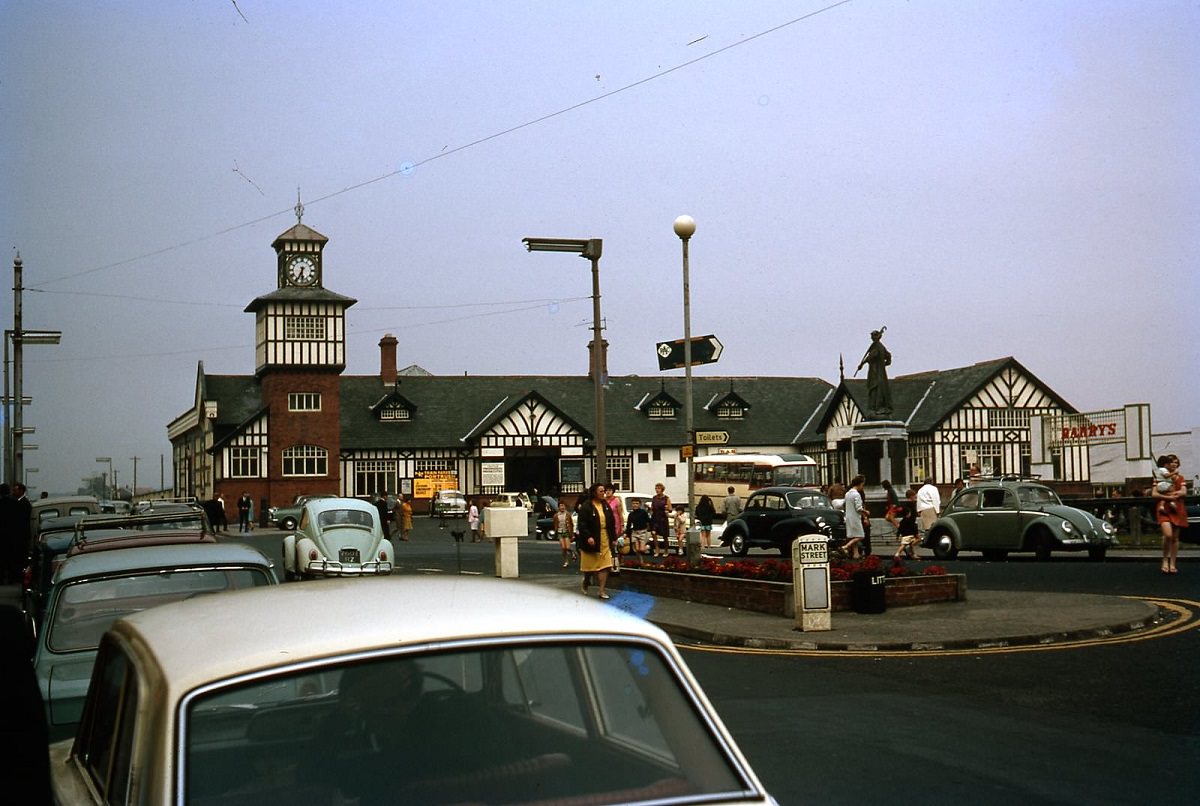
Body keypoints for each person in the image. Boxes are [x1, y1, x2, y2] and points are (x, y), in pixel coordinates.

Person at [576, 482, 616, 599]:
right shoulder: (586, 506)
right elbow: (582, 524)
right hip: (592, 540)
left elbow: (611, 523)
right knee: (590, 568)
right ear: (594, 493)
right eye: (601, 491)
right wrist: (588, 536)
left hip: (604, 538)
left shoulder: (606, 505)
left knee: (605, 566)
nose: (604, 493)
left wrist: (613, 538)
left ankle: (601, 590)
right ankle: (586, 581)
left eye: (604, 491)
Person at [1152, 454, 1186, 575]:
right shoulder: (1159, 476)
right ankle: (1165, 559)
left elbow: (1183, 492)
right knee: (1168, 534)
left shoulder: (1180, 478)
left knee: (1175, 538)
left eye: (1176, 462)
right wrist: (1167, 497)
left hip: (1177, 508)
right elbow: (1154, 494)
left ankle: (1173, 562)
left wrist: (1175, 494)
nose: (1174, 464)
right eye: (1172, 462)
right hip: (1164, 508)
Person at [856, 329, 892, 418]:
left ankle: (876, 408)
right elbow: (888, 356)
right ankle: (877, 408)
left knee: (875, 388)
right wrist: (887, 362)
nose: (872, 338)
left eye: (873, 336)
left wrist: (862, 364)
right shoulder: (880, 346)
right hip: (880, 371)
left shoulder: (877, 346)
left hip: (875, 372)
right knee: (879, 388)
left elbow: (871, 356)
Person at [841, 475, 866, 558]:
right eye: (862, 485)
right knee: (860, 536)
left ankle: (856, 554)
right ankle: (846, 546)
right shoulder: (856, 494)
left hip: (848, 517)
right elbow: (859, 508)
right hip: (855, 517)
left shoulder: (847, 494)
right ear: (859, 484)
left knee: (854, 536)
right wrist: (866, 512)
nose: (862, 487)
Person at [649, 483, 673, 558]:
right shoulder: (654, 498)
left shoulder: (666, 498)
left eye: (658, 488)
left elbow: (670, 509)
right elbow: (652, 508)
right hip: (655, 517)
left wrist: (667, 509)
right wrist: (649, 508)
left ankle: (666, 550)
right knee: (654, 533)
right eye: (656, 488)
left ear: (662, 489)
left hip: (662, 518)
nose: (657, 490)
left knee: (664, 535)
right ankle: (657, 549)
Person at [554, 501, 575, 567]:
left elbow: (571, 524)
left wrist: (572, 534)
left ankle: (572, 552)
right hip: (560, 531)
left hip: (566, 531)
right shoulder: (556, 515)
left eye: (563, 506)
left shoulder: (568, 514)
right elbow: (555, 524)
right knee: (563, 548)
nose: (562, 507)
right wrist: (555, 532)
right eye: (561, 506)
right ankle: (566, 561)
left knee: (567, 547)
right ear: (559, 507)